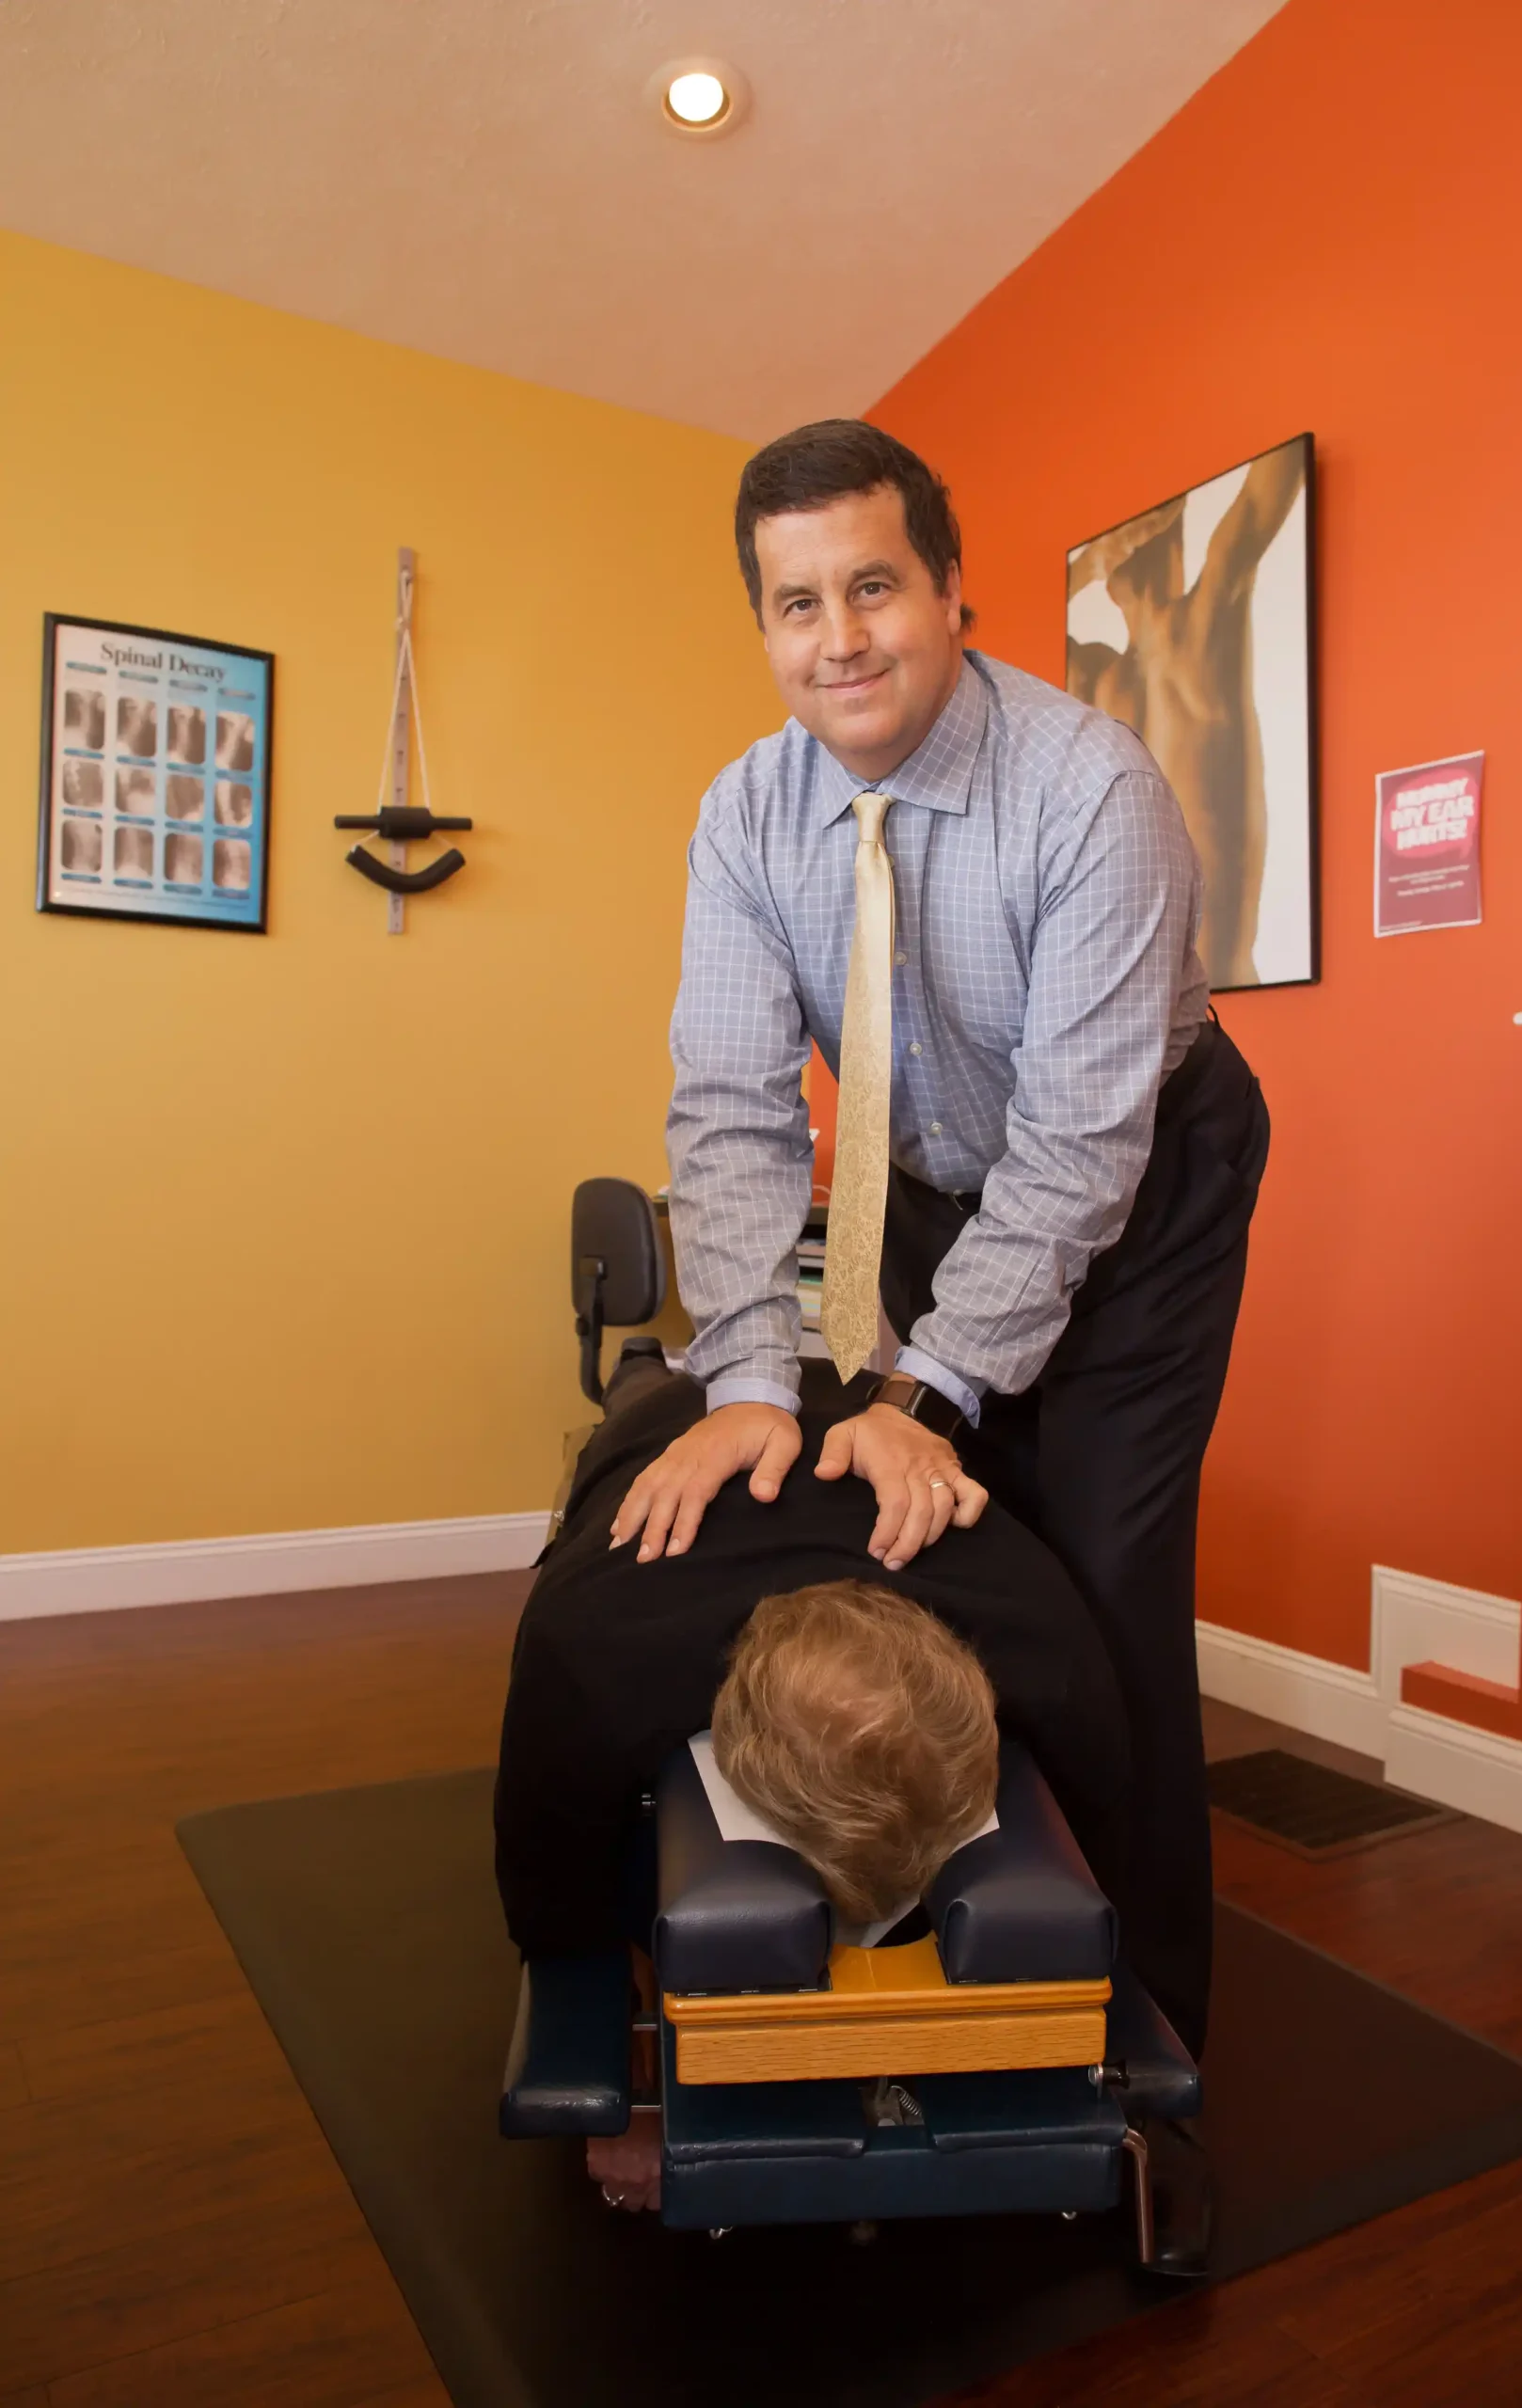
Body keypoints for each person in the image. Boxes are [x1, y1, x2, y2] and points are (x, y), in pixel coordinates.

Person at [609, 419, 1270, 2065]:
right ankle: (944, 1941)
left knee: (1101, 1586)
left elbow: (1074, 1155)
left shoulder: (1088, 794)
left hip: (1141, 1176)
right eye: (795, 602)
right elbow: (735, 1110)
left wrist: (933, 1387)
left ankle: (1146, 2044)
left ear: (954, 591)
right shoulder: (744, 817)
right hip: (922, 1174)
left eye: (875, 587)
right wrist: (756, 1377)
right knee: (924, 1539)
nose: (838, 638)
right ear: (761, 625)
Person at [494, 1351, 1130, 2212]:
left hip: (872, 1414)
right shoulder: (590, 1649)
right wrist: (627, 2107)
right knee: (643, 1389)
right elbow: (554, 1904)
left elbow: (1105, 1844)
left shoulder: (1046, 1638)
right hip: (674, 1426)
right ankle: (642, 1368)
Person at [1065, 442, 1306, 990]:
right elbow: (969, 655)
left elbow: (1275, 482)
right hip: (1130, 1002)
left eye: (1154, 534)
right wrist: (1090, 562)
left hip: (1222, 985)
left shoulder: (1204, 618)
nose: (1137, 551)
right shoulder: (1093, 678)